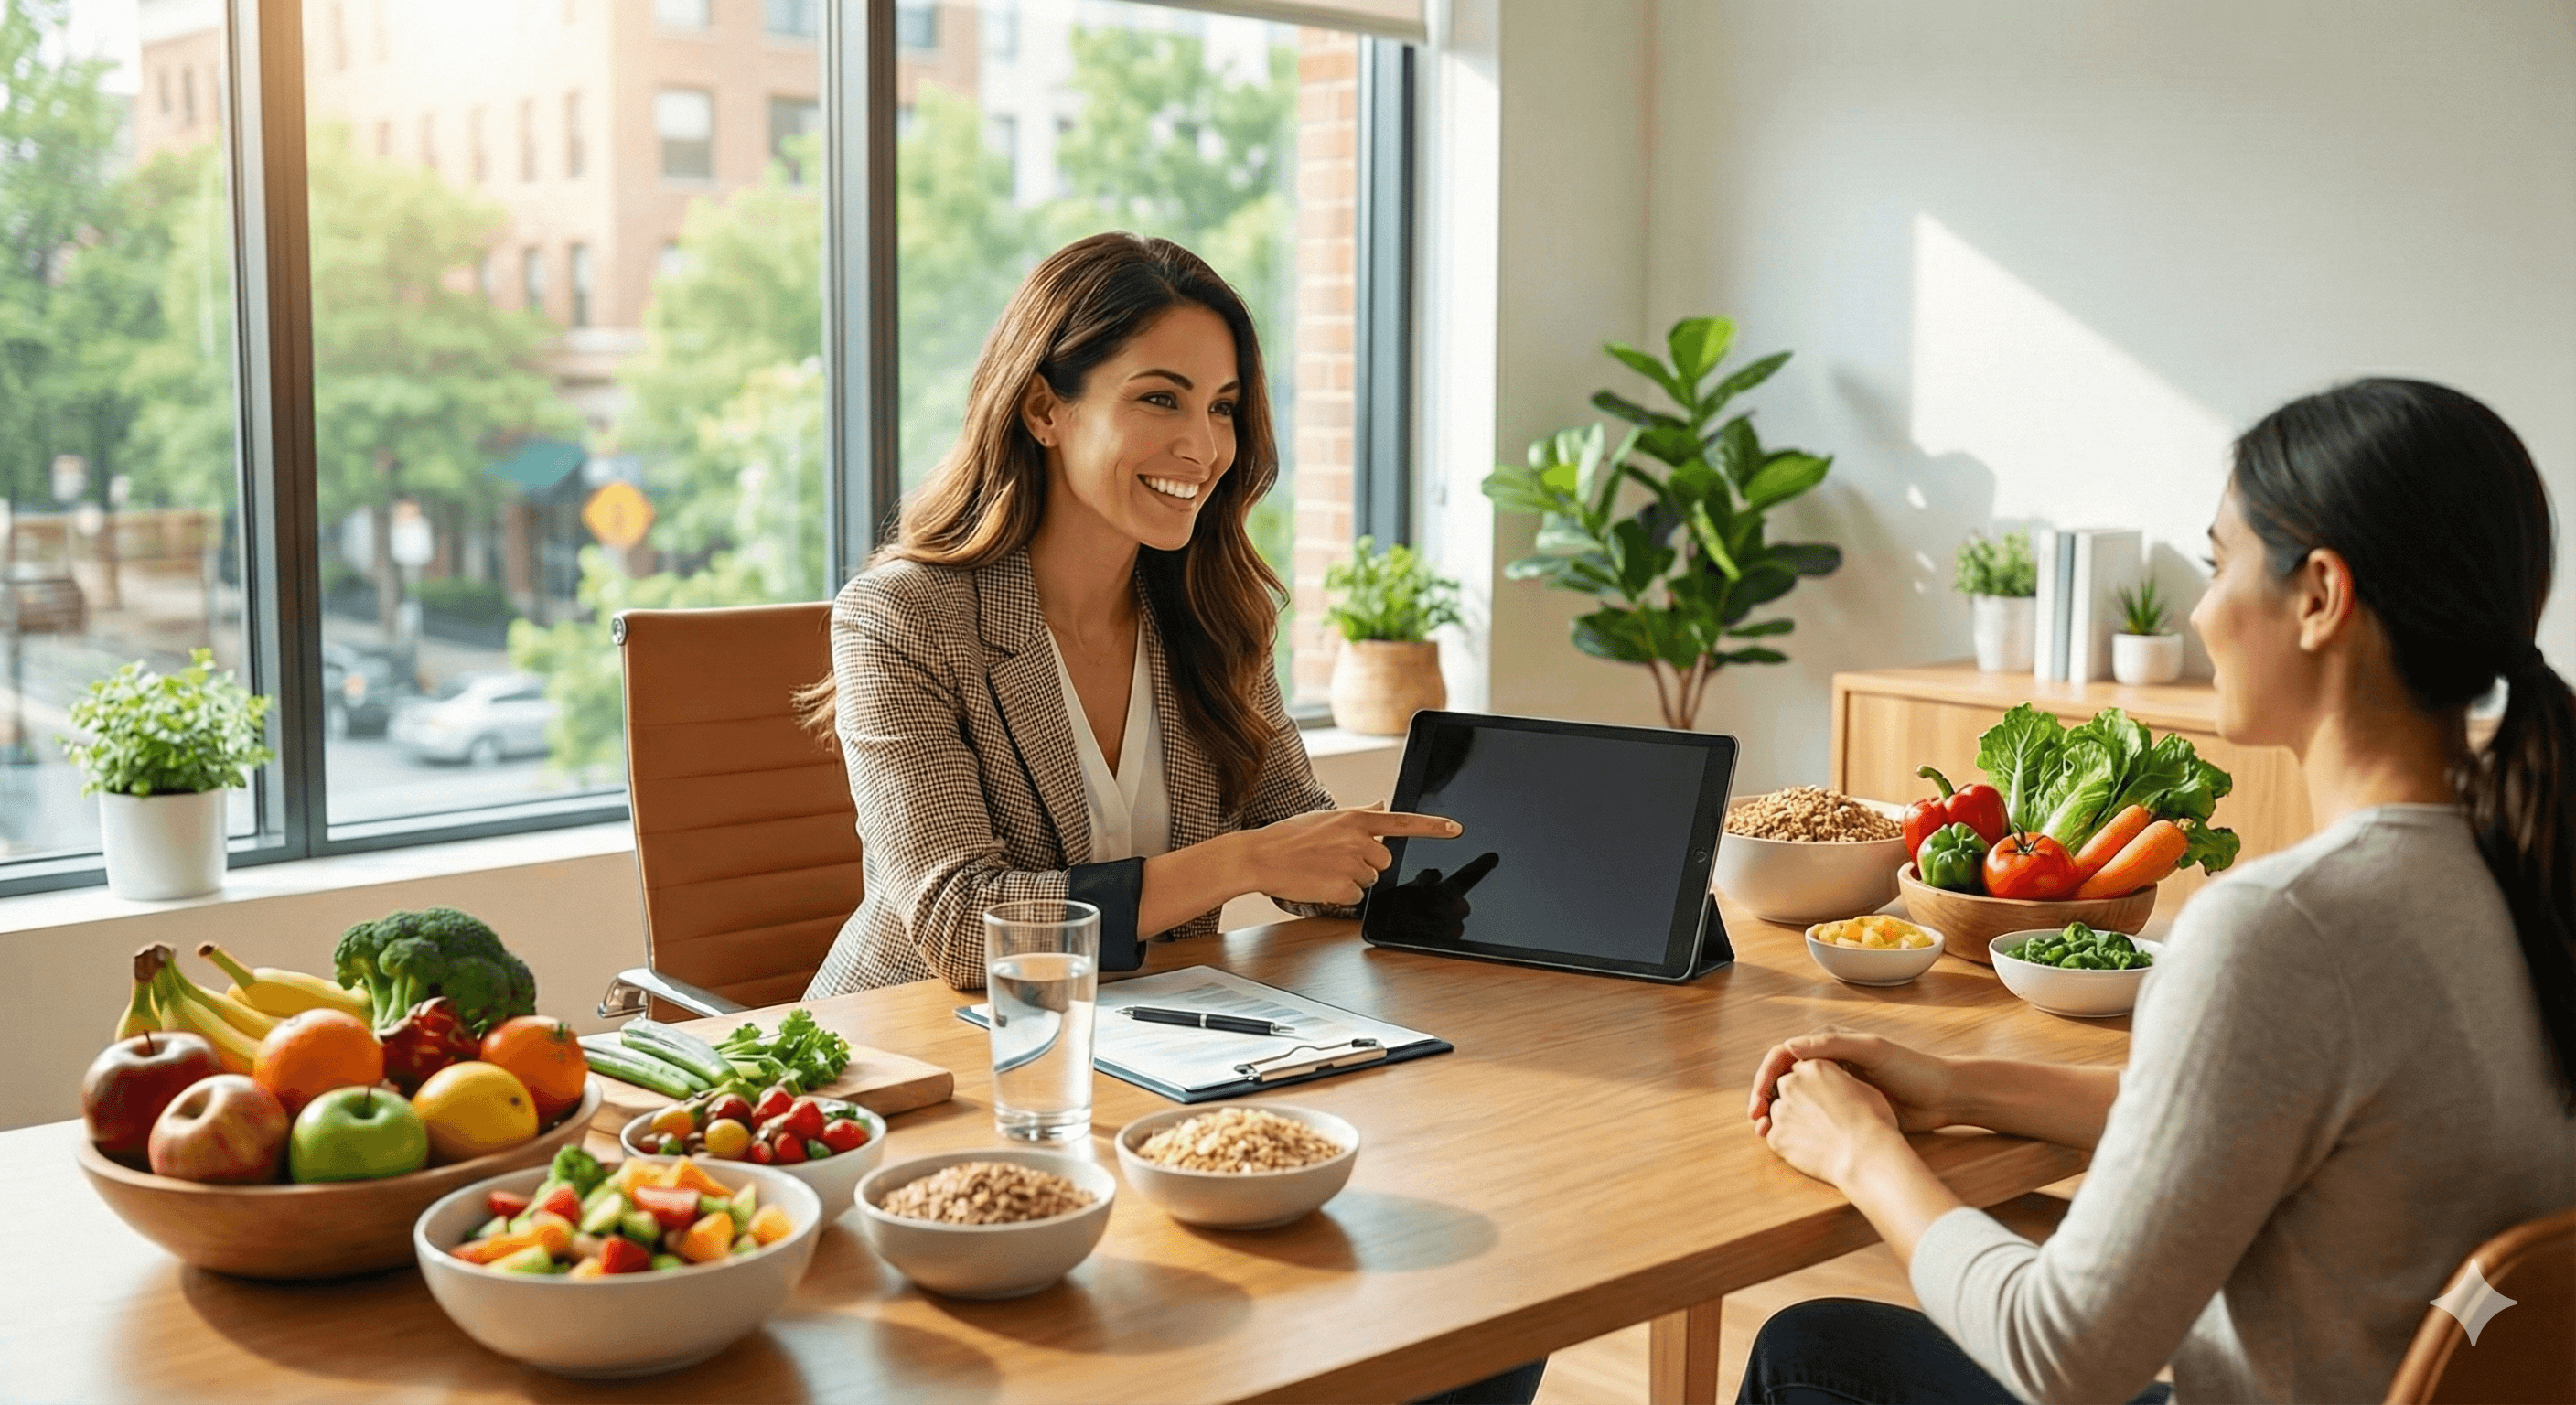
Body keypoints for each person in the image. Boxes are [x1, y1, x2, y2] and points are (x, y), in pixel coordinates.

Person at [1738, 379, 2576, 1403]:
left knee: (1813, 1353)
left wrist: (1858, 1150)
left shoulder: (2284, 925)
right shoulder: (2521, 875)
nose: (2198, 609)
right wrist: (1956, 1085)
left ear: (2318, 596)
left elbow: (2061, 1358)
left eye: (2218, 562)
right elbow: (2254, 1115)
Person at [799, 231, 1461, 997]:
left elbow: (1294, 838)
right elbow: (960, 924)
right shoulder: (904, 619)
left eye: (1223, 408)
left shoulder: (1216, 615)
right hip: (918, 1054)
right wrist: (1242, 860)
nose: (1204, 446)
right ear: (1045, 409)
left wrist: (1421, 872)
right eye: (1160, 399)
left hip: (1155, 1039)